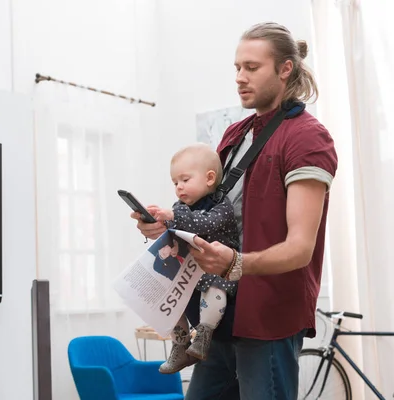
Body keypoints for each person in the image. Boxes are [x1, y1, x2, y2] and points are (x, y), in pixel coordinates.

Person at [131, 22, 338, 400]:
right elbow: (211, 209)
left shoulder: (308, 138)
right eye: (237, 68)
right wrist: (166, 223)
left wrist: (235, 263)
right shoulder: (234, 135)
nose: (240, 78)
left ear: (285, 69)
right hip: (217, 320)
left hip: (267, 321)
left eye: (252, 68)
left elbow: (300, 248)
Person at [145, 143, 240, 374]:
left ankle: (204, 336)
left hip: (216, 273)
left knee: (215, 292)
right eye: (175, 182)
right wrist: (158, 223)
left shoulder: (221, 206)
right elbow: (176, 227)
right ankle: (180, 342)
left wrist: (174, 216)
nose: (179, 187)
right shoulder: (179, 207)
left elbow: (205, 223)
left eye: (185, 180)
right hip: (190, 272)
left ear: (209, 178)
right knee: (170, 298)